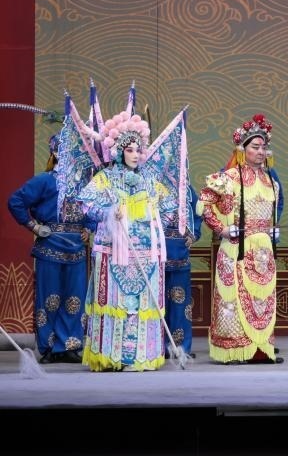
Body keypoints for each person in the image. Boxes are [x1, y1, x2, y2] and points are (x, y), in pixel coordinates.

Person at [78, 110, 177, 371]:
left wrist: (151, 219)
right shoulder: (105, 179)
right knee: (114, 302)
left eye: (138, 150)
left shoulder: (150, 181)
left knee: (142, 304)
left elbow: (169, 209)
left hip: (146, 253)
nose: (135, 154)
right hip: (114, 252)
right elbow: (86, 205)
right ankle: (112, 356)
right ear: (119, 151)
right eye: (129, 150)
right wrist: (110, 212)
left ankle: (141, 355)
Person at [199, 113, 284, 365]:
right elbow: (204, 204)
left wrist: (272, 229)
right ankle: (234, 349)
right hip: (236, 247)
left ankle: (260, 349)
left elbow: (272, 212)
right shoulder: (229, 178)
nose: (261, 152)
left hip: (262, 250)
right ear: (242, 149)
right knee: (234, 299)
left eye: (263, 147)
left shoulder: (271, 180)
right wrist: (222, 229)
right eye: (255, 147)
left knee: (262, 298)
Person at [6, 134, 91, 364]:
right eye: (66, 150)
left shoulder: (84, 183)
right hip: (50, 247)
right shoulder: (44, 180)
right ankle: (49, 347)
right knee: (50, 299)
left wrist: (88, 228)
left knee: (74, 299)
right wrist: (33, 226)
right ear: (54, 153)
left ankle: (70, 345)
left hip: (76, 249)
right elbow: (15, 201)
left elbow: (94, 210)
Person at [164, 184, 201, 359]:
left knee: (180, 302)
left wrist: (194, 234)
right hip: (155, 256)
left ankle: (181, 348)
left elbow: (198, 213)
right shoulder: (150, 184)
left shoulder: (185, 189)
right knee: (158, 303)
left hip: (180, 254)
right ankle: (157, 348)